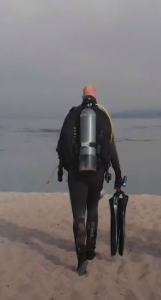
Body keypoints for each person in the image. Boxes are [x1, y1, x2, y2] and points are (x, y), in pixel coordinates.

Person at [56, 85, 125, 276]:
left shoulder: (72, 115)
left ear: (82, 96)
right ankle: (91, 249)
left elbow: (62, 144)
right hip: (97, 173)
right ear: (96, 97)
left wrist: (63, 167)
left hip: (76, 174)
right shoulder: (103, 116)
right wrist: (118, 174)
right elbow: (111, 148)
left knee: (79, 215)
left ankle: (81, 260)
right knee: (92, 209)